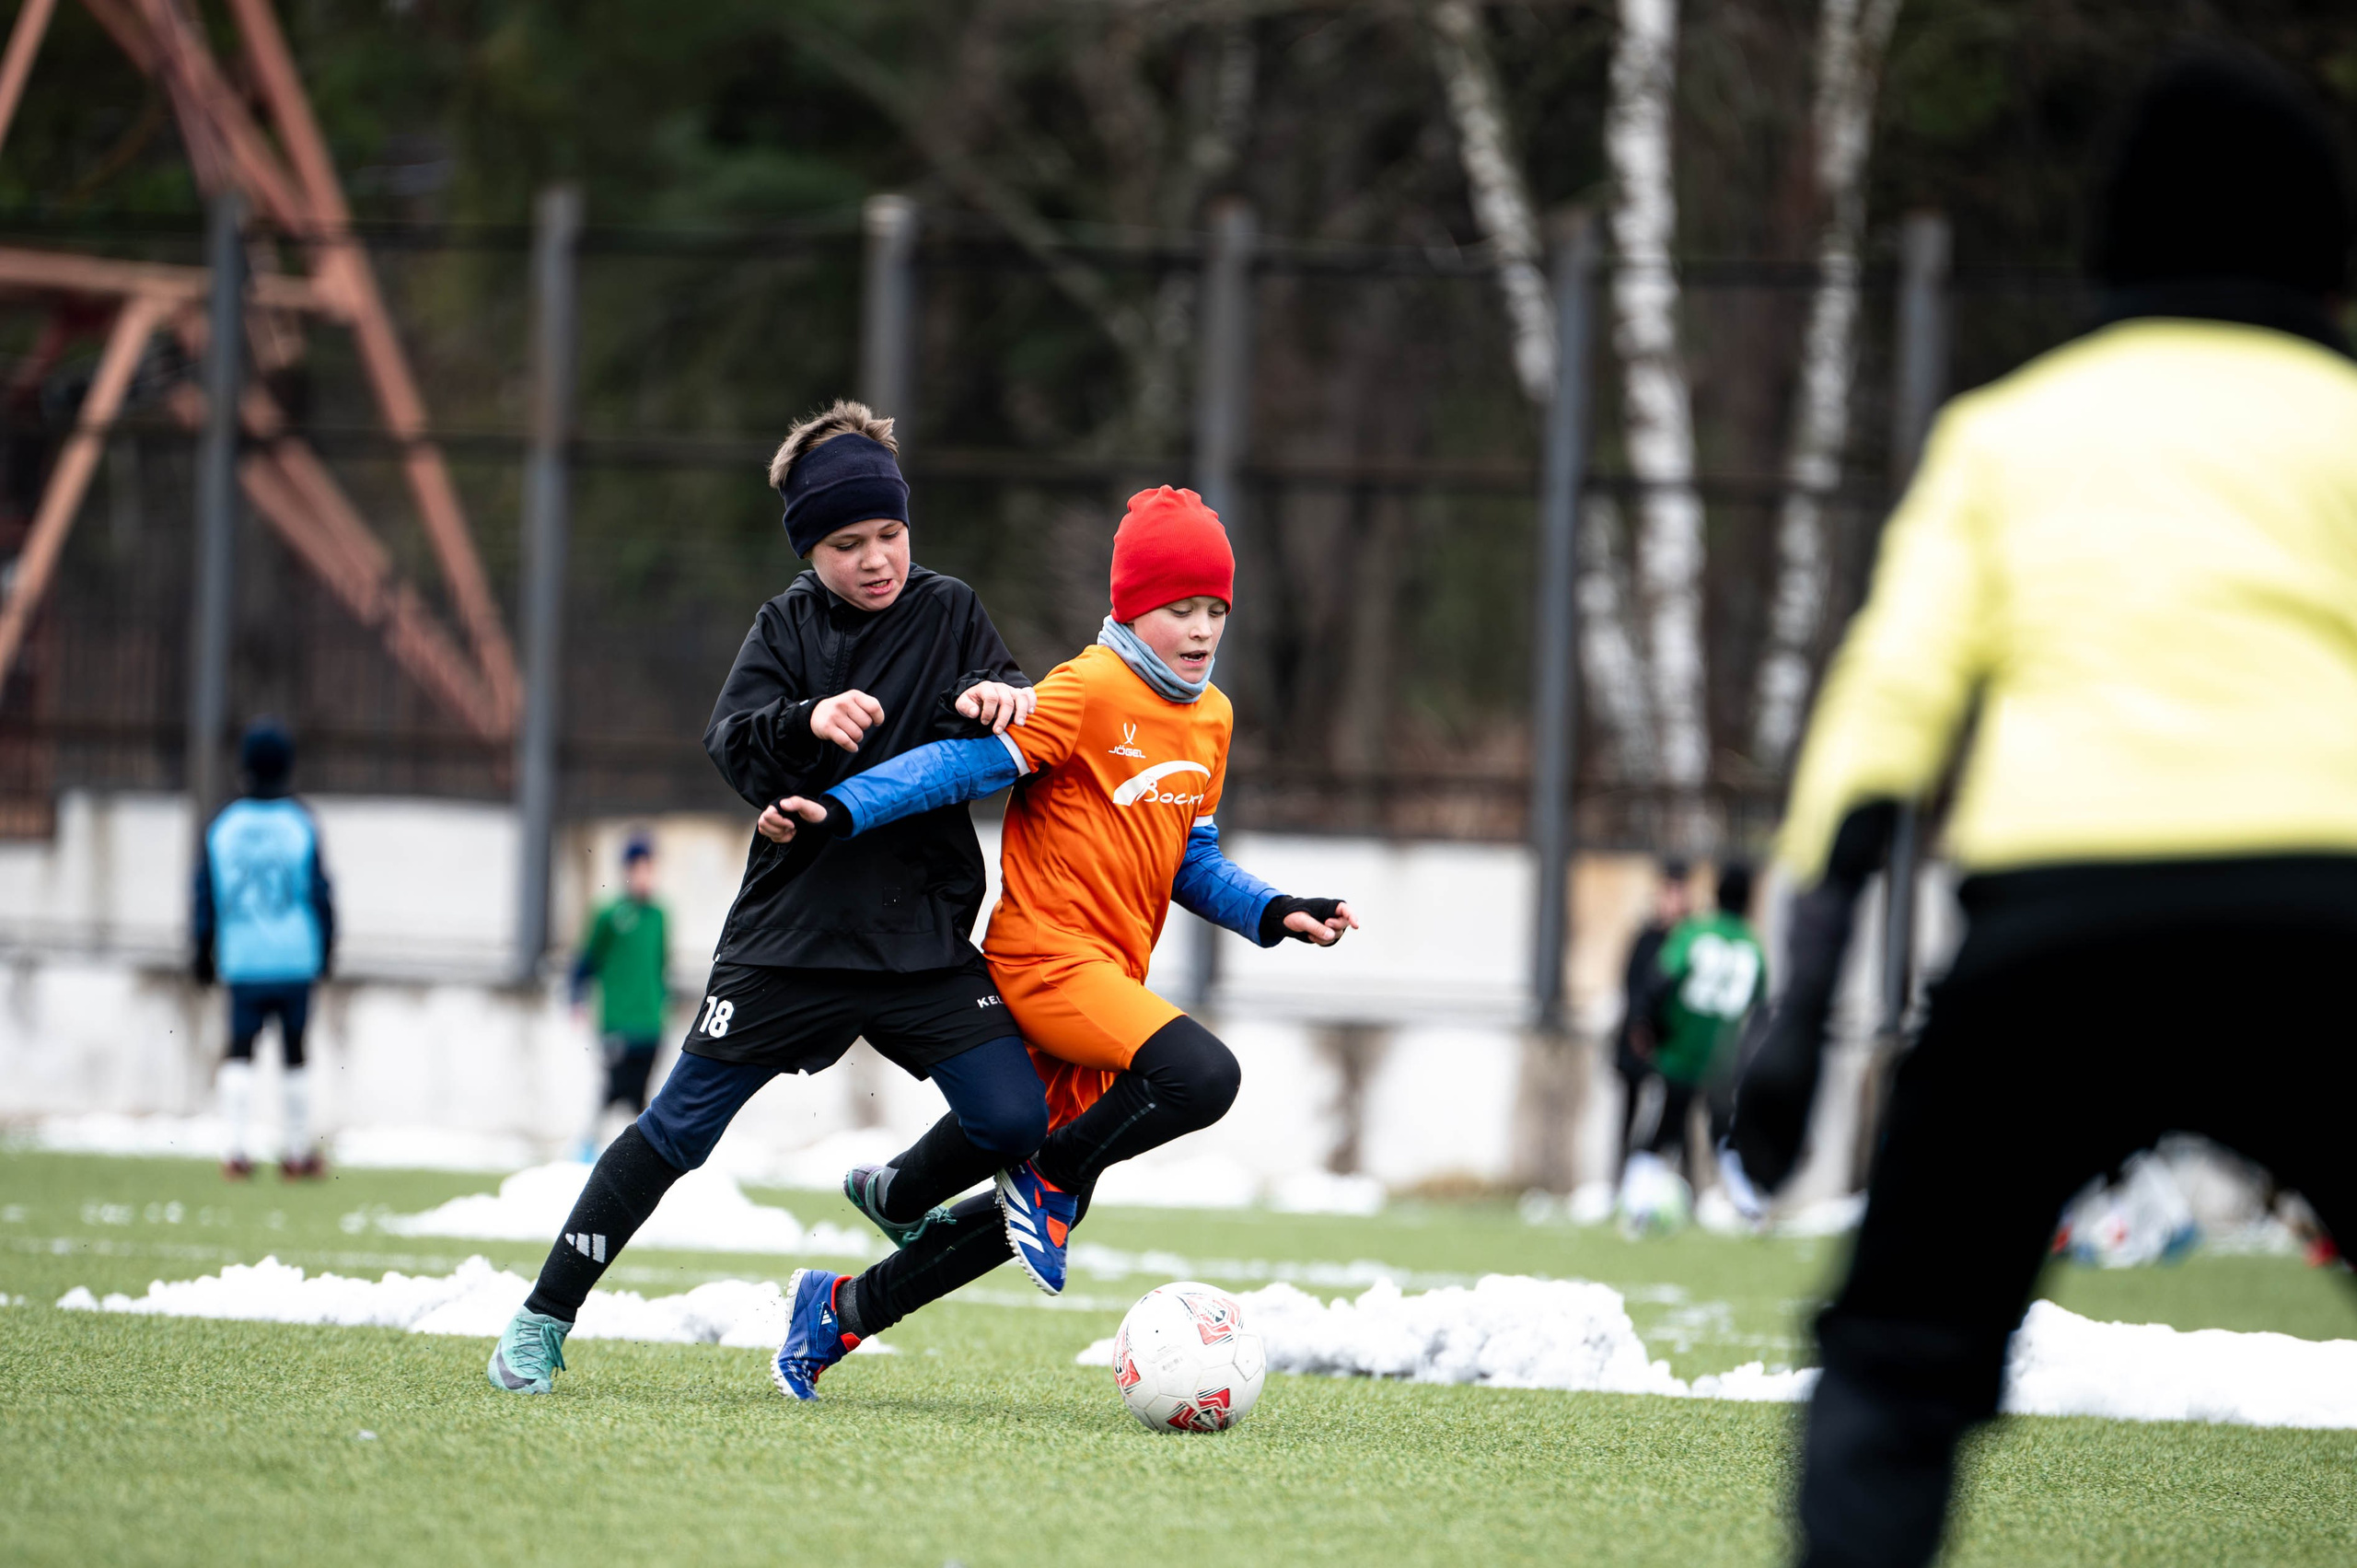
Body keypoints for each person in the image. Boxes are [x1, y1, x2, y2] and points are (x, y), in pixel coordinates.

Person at [1725, 52, 2357, 1568]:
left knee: (1897, 1358)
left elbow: (1883, 719)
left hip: (2057, 941)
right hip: (2324, 921)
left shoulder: (2010, 433)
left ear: (2113, 238)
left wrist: (1798, 1010)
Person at [489, 401, 1051, 1395]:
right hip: (793, 941)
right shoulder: (783, 627)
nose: (876, 559)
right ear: (808, 549)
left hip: (920, 938)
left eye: (889, 533)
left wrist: (1002, 697)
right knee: (674, 1133)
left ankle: (896, 1193)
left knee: (1014, 1120)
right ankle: (542, 1316)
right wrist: (807, 721)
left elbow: (1004, 705)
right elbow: (734, 742)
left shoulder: (950, 608)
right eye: (847, 544)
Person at [754, 484, 1359, 1399]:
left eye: (1215, 609)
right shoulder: (1087, 688)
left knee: (1023, 1198)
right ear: (1132, 607)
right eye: (1179, 608)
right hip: (1044, 961)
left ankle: (843, 1300)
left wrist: (1275, 910)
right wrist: (841, 807)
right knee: (1200, 1077)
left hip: (1108, 979)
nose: (1201, 629)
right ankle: (1029, 1181)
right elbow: (956, 766)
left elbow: (1189, 857)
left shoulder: (1213, 717)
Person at [191, 720, 336, 1180]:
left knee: (239, 1050)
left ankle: (236, 1151)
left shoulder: (224, 826)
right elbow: (320, 893)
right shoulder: (299, 823)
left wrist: (202, 949)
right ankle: (296, 1153)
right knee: (295, 1051)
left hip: (243, 958)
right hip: (295, 958)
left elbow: (205, 893)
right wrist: (327, 948)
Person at [1630, 863, 1762, 1187]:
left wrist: (1647, 1024)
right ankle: (1743, 1198)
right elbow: (1761, 1007)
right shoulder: (1754, 946)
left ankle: (1636, 1193)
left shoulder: (1694, 933)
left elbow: (1659, 981)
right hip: (1724, 1055)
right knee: (1723, 1131)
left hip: (1682, 1047)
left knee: (1664, 1125)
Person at [570, 833, 671, 1158]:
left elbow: (661, 966)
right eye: (639, 868)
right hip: (618, 1020)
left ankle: (639, 1156)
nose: (645, 875)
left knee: (642, 1097)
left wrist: (664, 1007)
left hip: (651, 1021)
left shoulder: (660, 916)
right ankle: (589, 1147)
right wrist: (576, 998)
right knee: (612, 1090)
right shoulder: (609, 914)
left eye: (649, 868)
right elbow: (586, 961)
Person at [1612, 858, 1691, 1173]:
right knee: (1630, 1115)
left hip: (1674, 1042)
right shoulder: (1646, 938)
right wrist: (1639, 1028)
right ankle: (1623, 1174)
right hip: (1639, 1039)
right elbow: (1632, 987)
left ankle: (1678, 1178)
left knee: (1677, 1117)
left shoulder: (1689, 939)